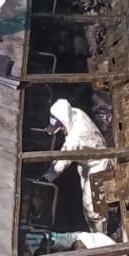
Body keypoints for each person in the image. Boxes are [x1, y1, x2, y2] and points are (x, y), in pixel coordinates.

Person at [46, 99, 112, 231]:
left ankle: (101, 236)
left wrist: (46, 178)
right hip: (90, 157)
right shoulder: (76, 112)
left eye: (61, 129)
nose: (61, 132)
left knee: (93, 207)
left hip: (99, 166)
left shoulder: (74, 140)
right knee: (86, 192)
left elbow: (61, 163)